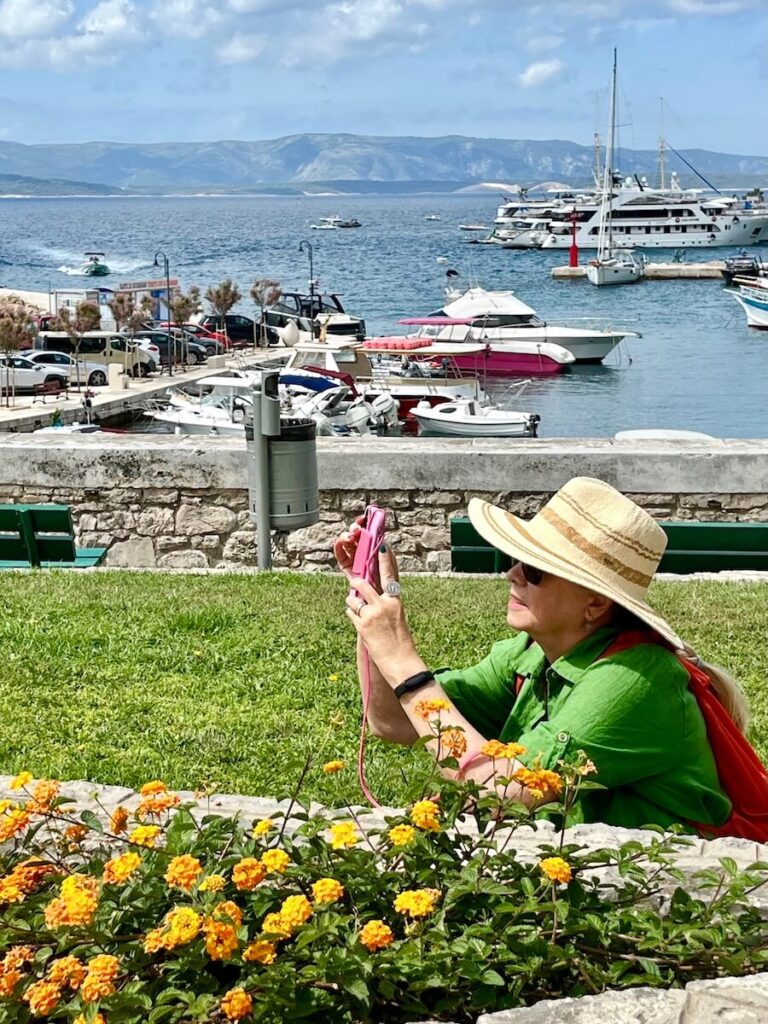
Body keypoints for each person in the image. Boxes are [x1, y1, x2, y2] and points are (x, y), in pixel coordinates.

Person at [334, 477, 748, 831]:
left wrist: (403, 661)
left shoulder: (633, 679)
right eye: (518, 559)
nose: (512, 574)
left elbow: (502, 792)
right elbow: (393, 723)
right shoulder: (530, 655)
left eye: (535, 569)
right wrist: (372, 621)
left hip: (670, 896)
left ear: (595, 605)